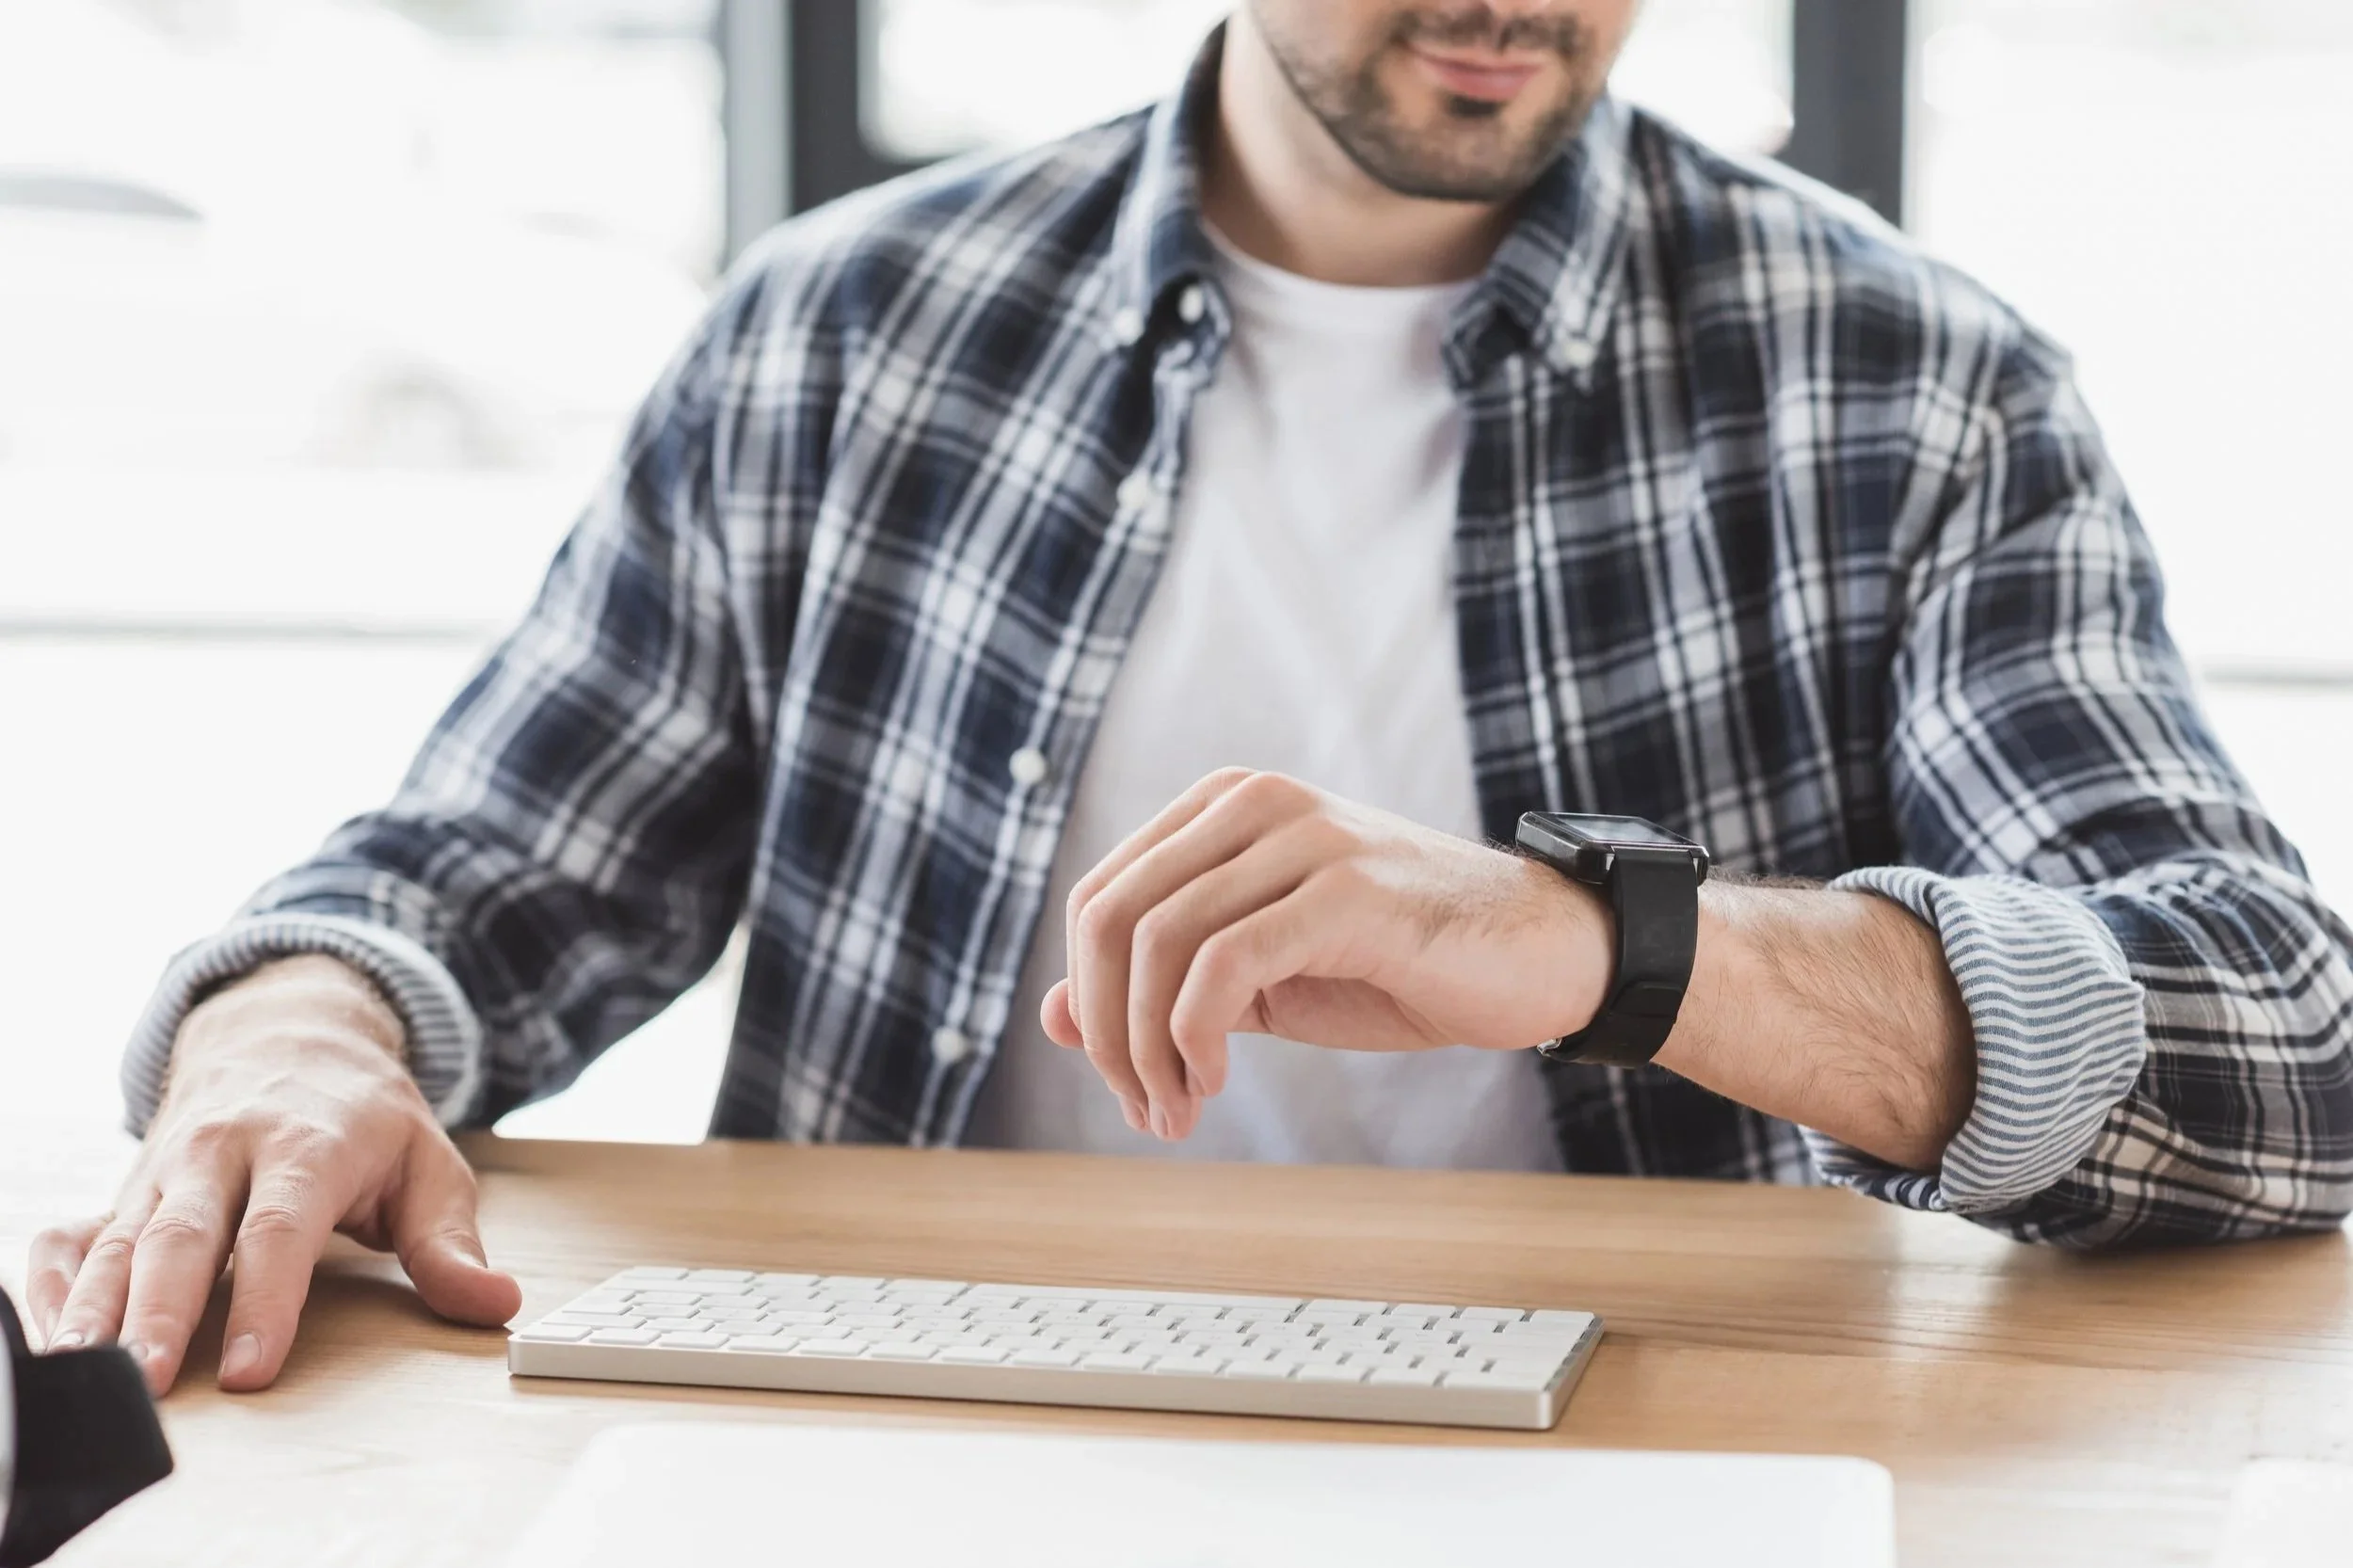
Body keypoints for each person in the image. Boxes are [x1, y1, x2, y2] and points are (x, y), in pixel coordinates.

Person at [28, 1, 2353, 1400]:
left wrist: (1616, 945)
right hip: (909, 1452)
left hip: (1641, 1459)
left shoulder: (1909, 383)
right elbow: (479, 872)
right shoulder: (844, 334)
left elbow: (2285, 1050)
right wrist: (294, 1032)